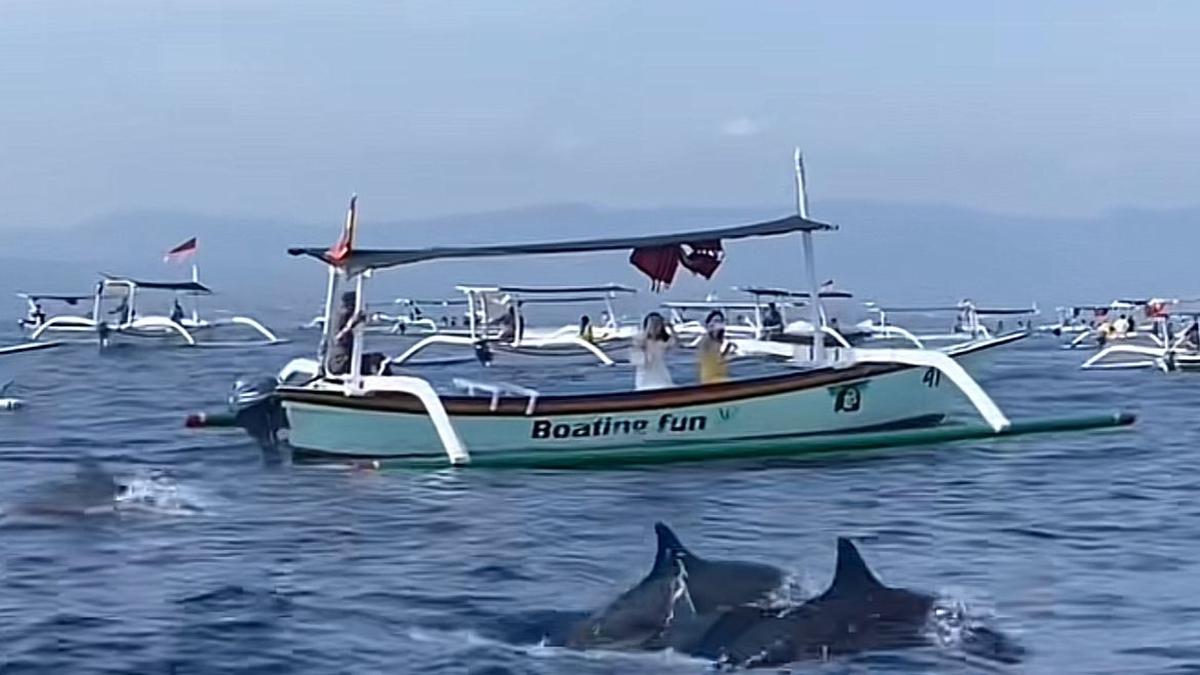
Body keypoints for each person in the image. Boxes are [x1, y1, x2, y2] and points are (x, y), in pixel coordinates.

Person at [631, 312, 674, 390]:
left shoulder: (661, 342)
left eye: (658, 325)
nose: (655, 328)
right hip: (645, 376)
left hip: (660, 374)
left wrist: (672, 328)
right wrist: (649, 327)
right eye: (654, 326)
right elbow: (640, 343)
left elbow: (675, 344)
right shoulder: (640, 338)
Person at [327, 291, 365, 375]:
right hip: (340, 362)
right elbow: (338, 338)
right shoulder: (341, 316)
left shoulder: (343, 315)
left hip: (347, 358)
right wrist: (350, 325)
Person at [697, 310, 734, 384]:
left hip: (721, 376)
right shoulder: (706, 339)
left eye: (720, 321)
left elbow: (717, 358)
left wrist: (727, 350)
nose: (718, 323)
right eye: (715, 321)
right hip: (710, 379)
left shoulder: (718, 340)